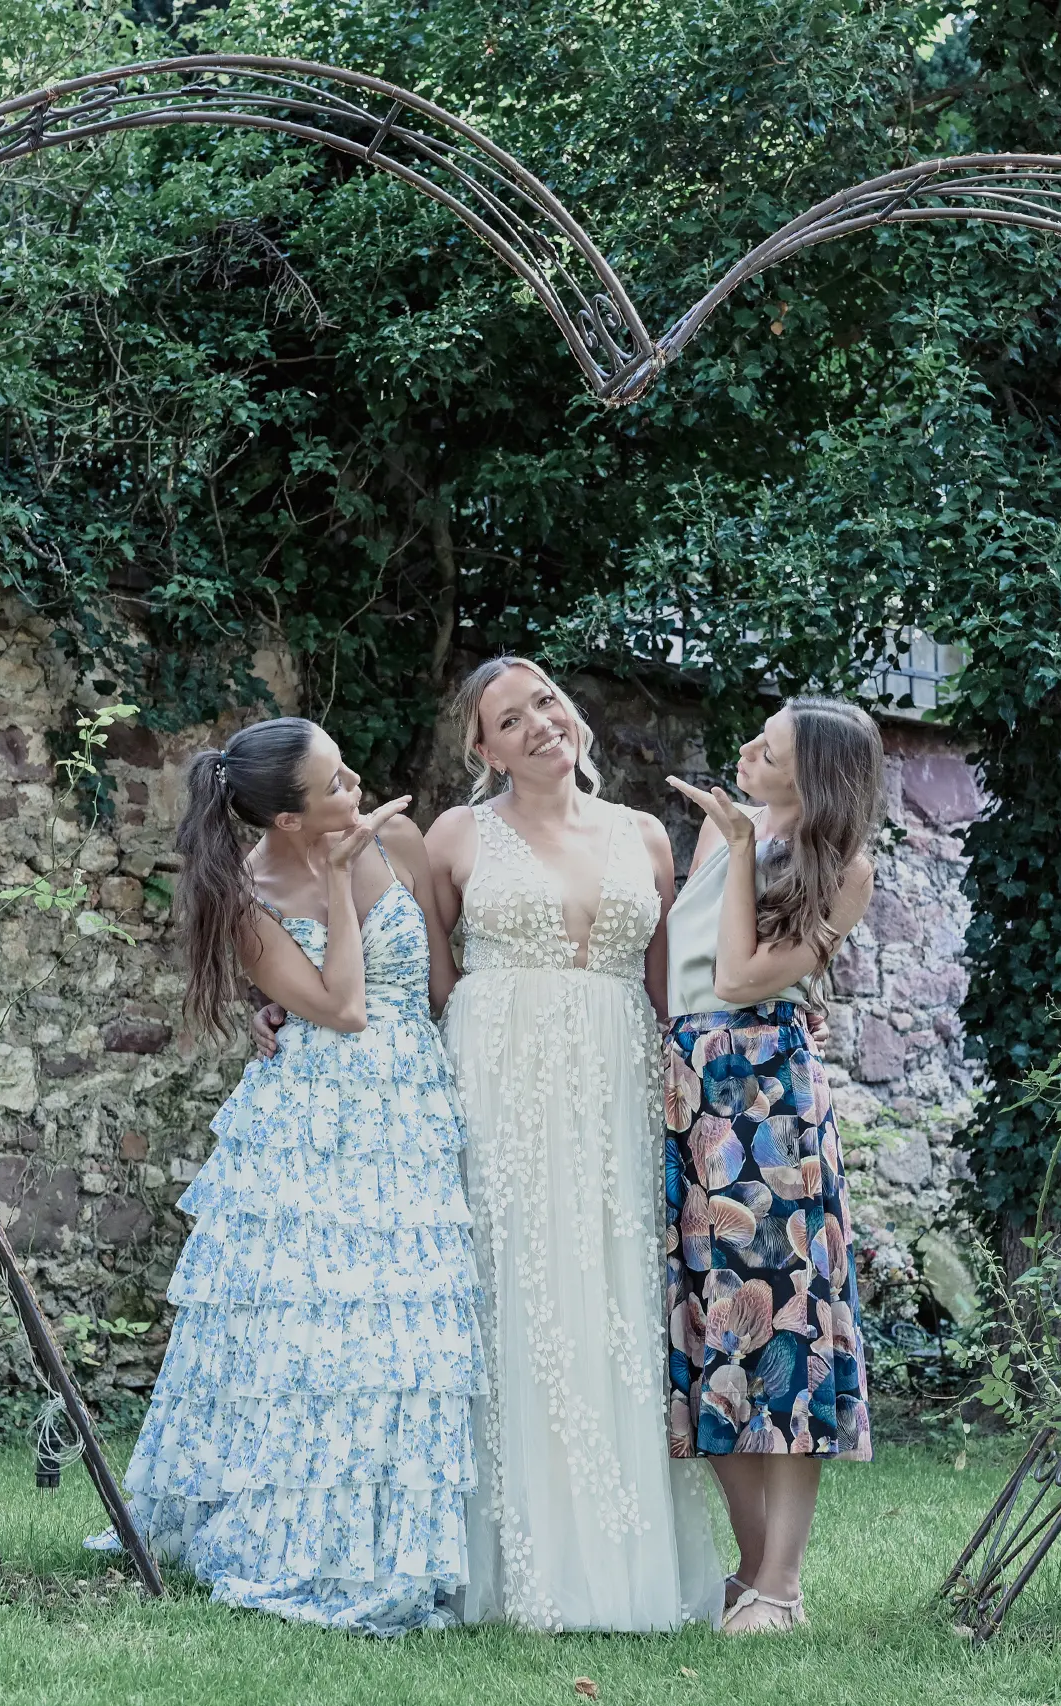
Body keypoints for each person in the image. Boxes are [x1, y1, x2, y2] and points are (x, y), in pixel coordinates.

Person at [102, 715, 482, 1634]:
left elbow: (440, 986)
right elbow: (344, 1008)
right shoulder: (244, 898)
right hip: (312, 1124)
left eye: (349, 771)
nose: (358, 789)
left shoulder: (396, 837)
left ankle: (401, 1534)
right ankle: (295, 1530)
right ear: (285, 822)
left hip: (408, 1112)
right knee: (304, 1338)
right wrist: (336, 901)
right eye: (337, 786)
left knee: (400, 1336)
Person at [424, 657, 724, 1632]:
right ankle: (515, 1566)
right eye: (510, 720)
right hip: (498, 1080)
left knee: (611, 1299)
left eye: (545, 700)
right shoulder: (456, 834)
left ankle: (621, 1557)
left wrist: (682, 1075)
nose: (540, 724)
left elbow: (665, 982)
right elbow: (429, 977)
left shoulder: (643, 833)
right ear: (483, 749)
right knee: (518, 1295)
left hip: (615, 1086)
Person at [663, 697, 883, 1635]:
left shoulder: (844, 869)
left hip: (769, 1109)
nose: (747, 749)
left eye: (772, 747)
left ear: (816, 775)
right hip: (688, 1093)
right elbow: (673, 965)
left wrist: (741, 848)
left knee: (784, 1330)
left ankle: (781, 1585)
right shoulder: (728, 834)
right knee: (705, 1327)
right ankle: (756, 1574)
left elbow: (741, 979)